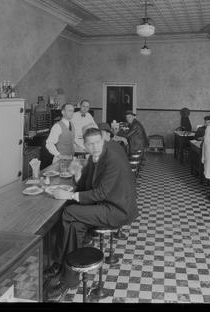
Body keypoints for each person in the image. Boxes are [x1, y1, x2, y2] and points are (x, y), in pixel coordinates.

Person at [46, 127, 139, 299]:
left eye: (98, 142)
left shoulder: (112, 159)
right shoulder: (98, 154)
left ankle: (59, 264)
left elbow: (100, 193)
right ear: (85, 145)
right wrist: (78, 173)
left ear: (103, 140)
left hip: (117, 209)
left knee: (69, 212)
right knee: (75, 224)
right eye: (90, 144)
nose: (95, 147)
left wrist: (69, 194)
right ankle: (68, 277)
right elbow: (89, 182)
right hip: (108, 203)